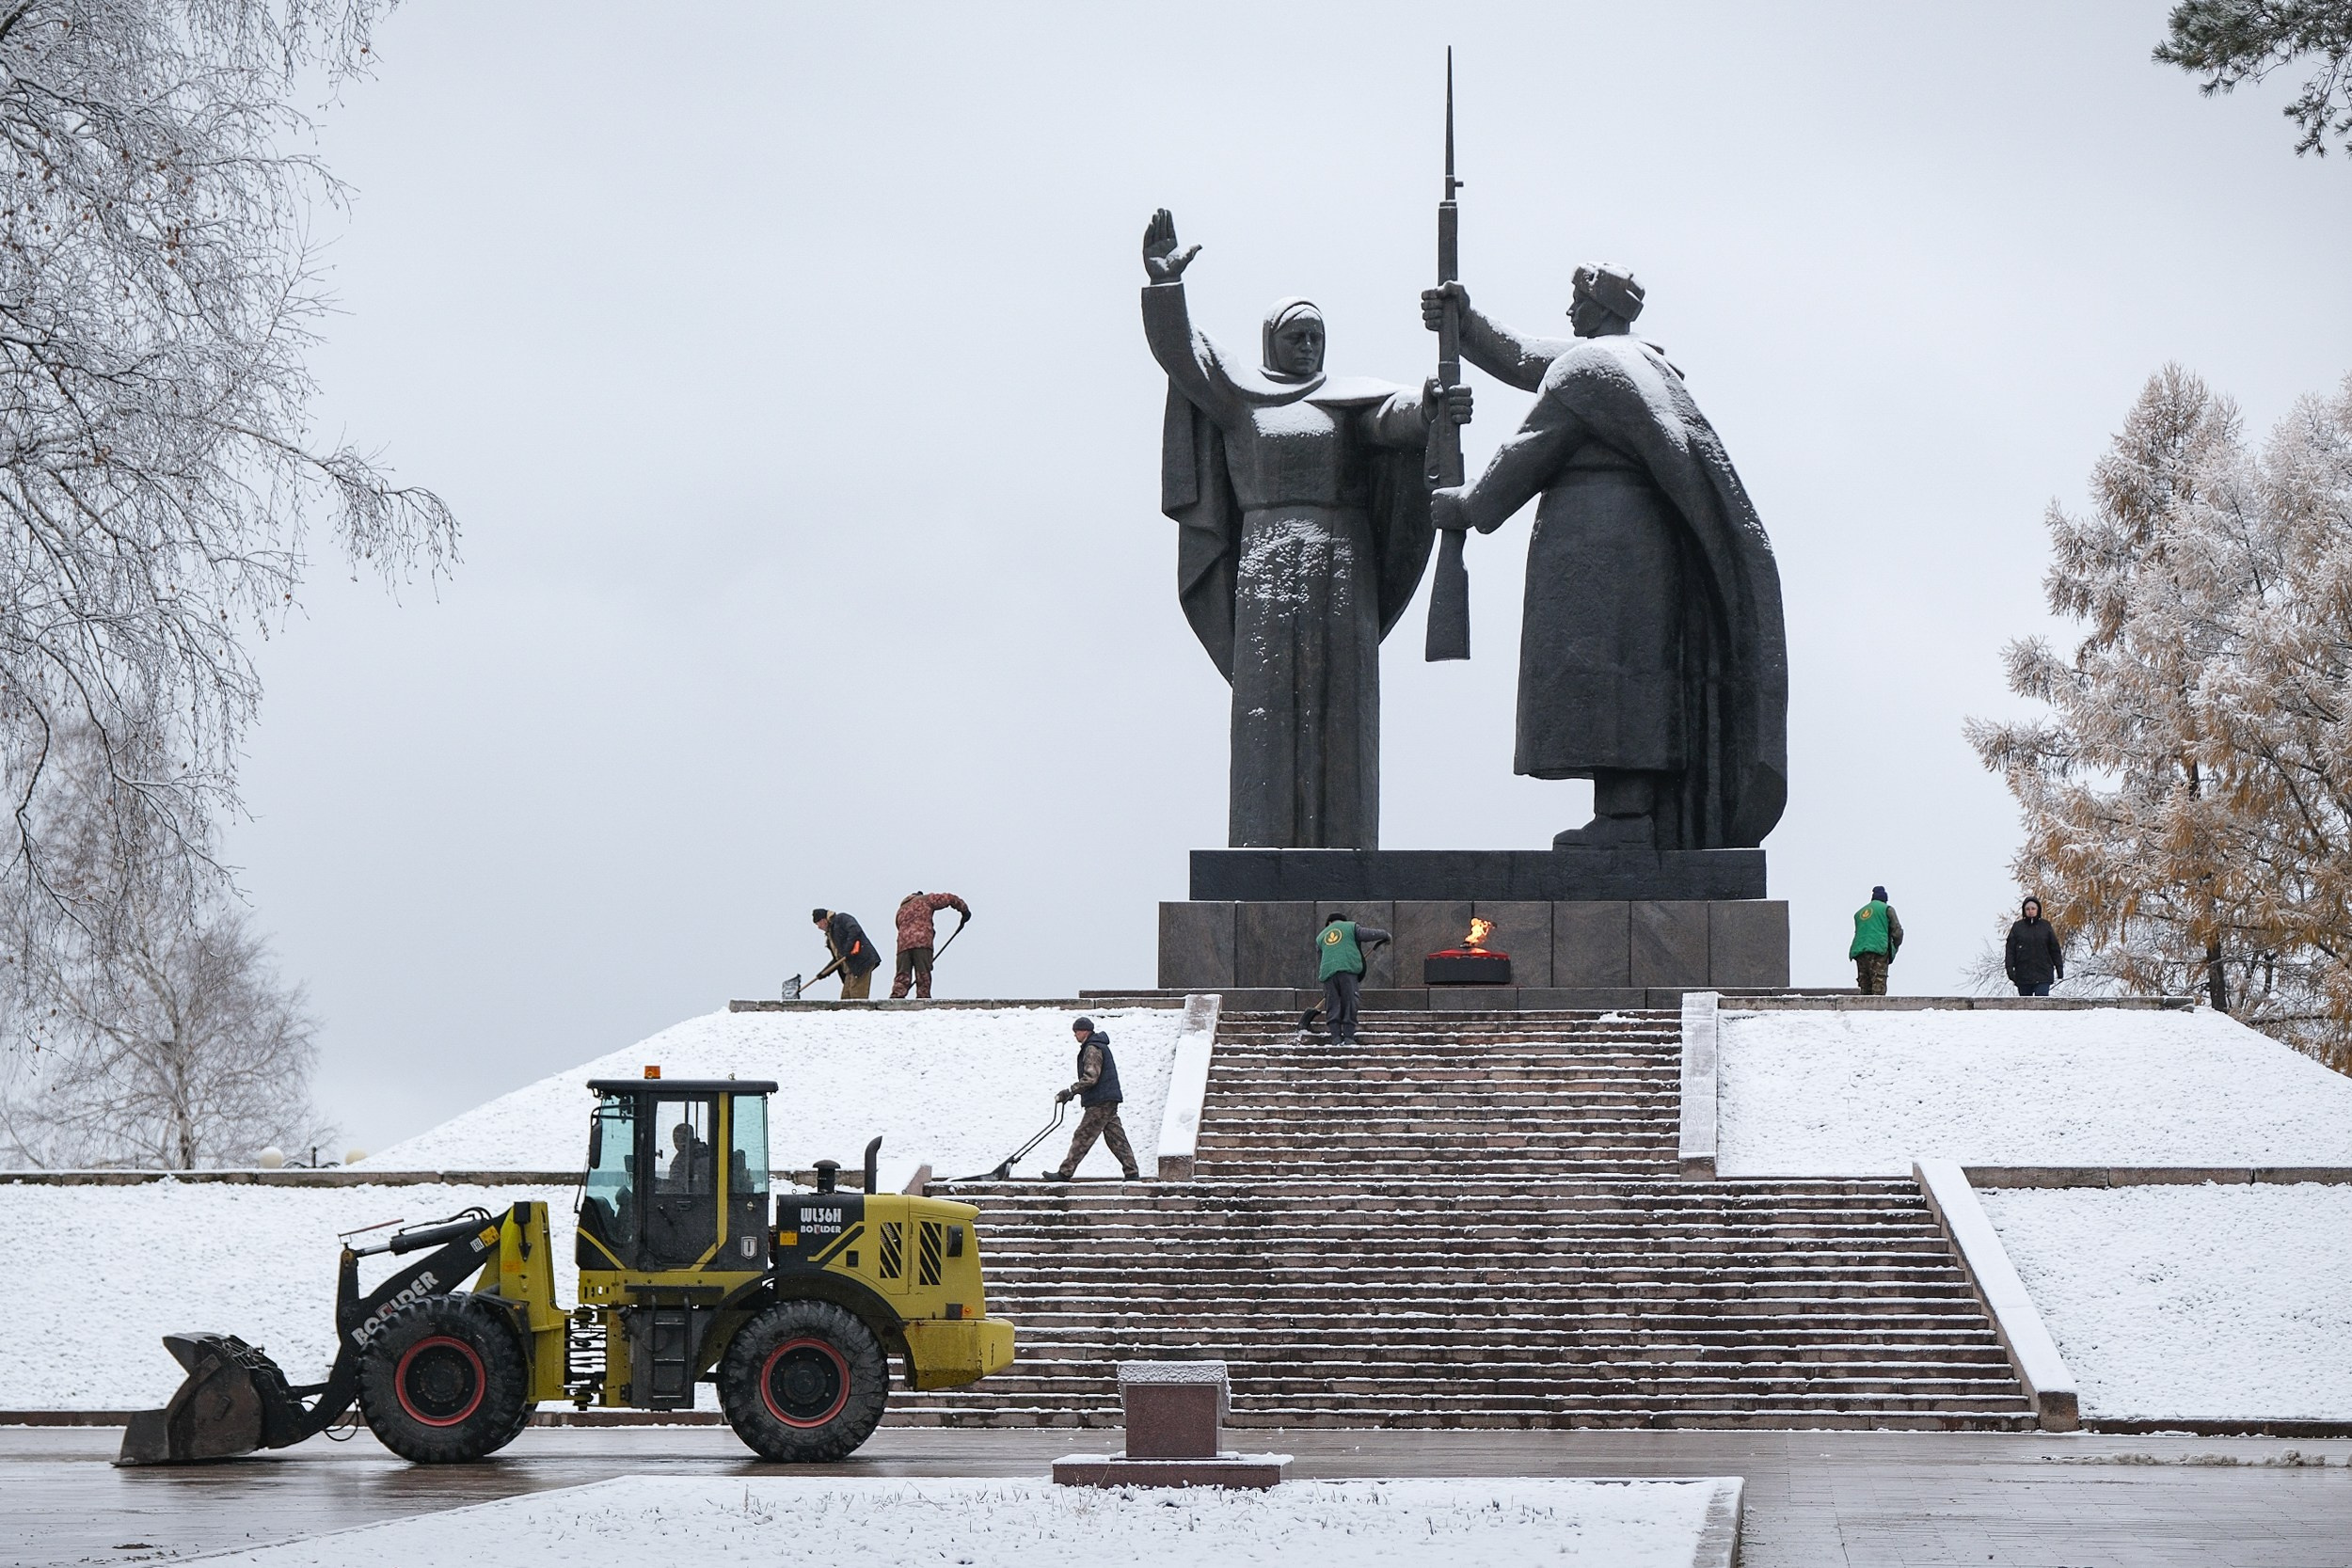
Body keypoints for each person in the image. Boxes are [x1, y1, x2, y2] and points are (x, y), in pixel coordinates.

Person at [1422, 272, 1786, 850]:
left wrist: (1466, 505)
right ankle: (1630, 817)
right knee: (1629, 675)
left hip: (1599, 546)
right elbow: (1529, 358)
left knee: (1607, 679)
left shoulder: (1588, 372)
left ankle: (1625, 821)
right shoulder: (1639, 367)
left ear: (1600, 309)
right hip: (1639, 544)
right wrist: (1464, 323)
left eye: (1578, 303)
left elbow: (1529, 448)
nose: (1569, 312)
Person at [1145, 208, 1471, 848]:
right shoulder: (1238, 397)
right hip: (1265, 564)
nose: (1308, 345)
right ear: (1272, 340)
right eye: (1296, 335)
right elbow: (1184, 356)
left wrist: (1433, 401)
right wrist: (1165, 288)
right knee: (1267, 709)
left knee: (1341, 709)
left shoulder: (1348, 401)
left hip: (1342, 565)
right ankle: (1261, 843)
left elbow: (1394, 419)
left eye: (1316, 335)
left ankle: (1346, 843)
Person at [1046, 1017, 1137, 1181]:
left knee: (1083, 1135)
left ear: (1085, 1031)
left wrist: (1070, 1091)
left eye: (1077, 1031)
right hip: (1107, 1098)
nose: (1075, 1035)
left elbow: (1091, 1077)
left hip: (1100, 1100)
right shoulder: (1096, 1045)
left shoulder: (1092, 1048)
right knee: (1115, 1136)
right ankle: (1132, 1172)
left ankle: (1065, 1172)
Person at [1301, 911, 1391, 1044]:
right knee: (1350, 1002)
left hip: (1328, 974)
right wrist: (1385, 934)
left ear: (1329, 923)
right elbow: (1367, 934)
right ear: (1343, 921)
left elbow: (1321, 960)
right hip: (1347, 970)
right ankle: (1349, 1037)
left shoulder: (1321, 936)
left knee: (1332, 1005)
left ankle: (1336, 1038)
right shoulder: (1351, 926)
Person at [892, 890, 972, 1000]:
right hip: (922, 942)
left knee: (902, 975)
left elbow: (899, 927)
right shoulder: (926, 899)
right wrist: (964, 910)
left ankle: (896, 998)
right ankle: (923, 1001)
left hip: (903, 946)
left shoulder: (900, 910)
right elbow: (949, 898)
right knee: (923, 974)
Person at [809, 907, 882, 1001]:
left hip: (861, 963)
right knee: (846, 997)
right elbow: (837, 960)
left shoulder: (841, 919)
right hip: (850, 969)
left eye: (818, 924)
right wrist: (823, 974)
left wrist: (848, 949)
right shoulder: (830, 938)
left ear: (823, 920)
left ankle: (858, 1014)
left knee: (856, 996)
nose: (818, 927)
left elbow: (854, 929)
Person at [1849, 886, 1904, 995]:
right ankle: (1876, 1010)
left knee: (1864, 984)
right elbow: (1897, 931)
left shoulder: (1859, 913)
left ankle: (1863, 1010)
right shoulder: (1887, 909)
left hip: (1859, 950)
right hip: (1878, 948)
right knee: (1878, 982)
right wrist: (1895, 947)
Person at [2006, 896, 2065, 996]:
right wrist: (2010, 969)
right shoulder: (2017, 927)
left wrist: (2059, 968)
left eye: (2033, 908)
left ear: (2038, 910)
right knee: (2025, 1007)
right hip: (2023, 975)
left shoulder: (2045, 926)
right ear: (2024, 911)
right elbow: (2010, 950)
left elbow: (2054, 948)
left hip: (2043, 974)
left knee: (2041, 1005)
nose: (2030, 911)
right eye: (2028, 909)